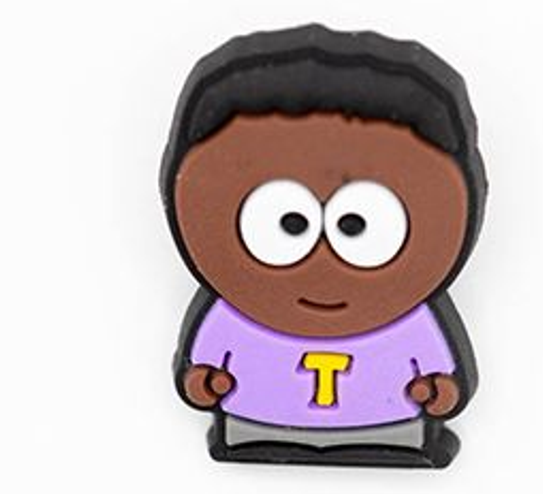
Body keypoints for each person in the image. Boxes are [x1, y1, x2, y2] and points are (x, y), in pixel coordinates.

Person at [161, 24, 487, 467]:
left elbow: (441, 377)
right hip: (254, 425)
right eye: (287, 223)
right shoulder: (230, 316)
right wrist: (202, 380)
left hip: (391, 429)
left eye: (358, 226)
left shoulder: (413, 323)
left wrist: (440, 390)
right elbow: (203, 371)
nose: (322, 266)